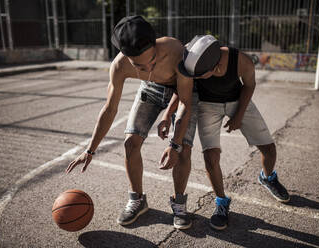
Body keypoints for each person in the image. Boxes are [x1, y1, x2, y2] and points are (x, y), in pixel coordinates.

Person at [65, 16, 195, 230]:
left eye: (152, 61)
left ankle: (179, 203)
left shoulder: (174, 49)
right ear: (125, 56)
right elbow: (109, 109)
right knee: (130, 143)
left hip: (181, 91)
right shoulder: (119, 66)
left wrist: (174, 144)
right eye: (139, 66)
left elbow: (185, 102)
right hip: (150, 90)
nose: (148, 69)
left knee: (183, 149)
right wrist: (90, 150)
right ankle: (138, 199)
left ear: (155, 44)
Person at [158, 35, 290, 231]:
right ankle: (221, 201)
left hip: (238, 100)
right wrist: (167, 114)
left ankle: (268, 177)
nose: (194, 77)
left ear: (216, 68)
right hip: (208, 106)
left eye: (199, 76)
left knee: (269, 148)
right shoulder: (193, 58)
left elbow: (250, 85)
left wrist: (239, 115)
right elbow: (182, 89)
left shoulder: (241, 61)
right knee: (211, 157)